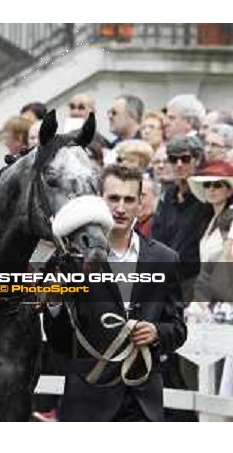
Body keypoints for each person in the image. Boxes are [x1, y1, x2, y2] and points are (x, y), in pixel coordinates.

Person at [43, 165, 186, 421]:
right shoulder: (72, 259)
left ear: (140, 203)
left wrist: (156, 332)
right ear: (100, 200)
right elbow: (60, 341)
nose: (120, 208)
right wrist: (54, 303)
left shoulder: (166, 258)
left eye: (129, 199)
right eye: (113, 198)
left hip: (143, 402)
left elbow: (177, 329)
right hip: (88, 399)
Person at [151, 136, 213, 300]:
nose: (179, 164)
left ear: (197, 160)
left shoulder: (207, 196)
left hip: (195, 279)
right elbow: (157, 236)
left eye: (185, 159)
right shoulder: (167, 196)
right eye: (173, 159)